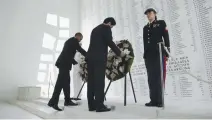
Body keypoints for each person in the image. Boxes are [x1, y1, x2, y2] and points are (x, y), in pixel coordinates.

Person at [86, 17, 125, 112]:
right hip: (99, 59)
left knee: (91, 82)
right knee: (99, 82)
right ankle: (100, 105)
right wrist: (120, 53)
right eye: (112, 26)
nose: (111, 28)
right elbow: (110, 42)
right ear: (109, 23)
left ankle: (91, 105)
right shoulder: (106, 28)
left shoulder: (95, 29)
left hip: (90, 58)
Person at [48, 33, 86, 111]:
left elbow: (67, 53)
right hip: (64, 64)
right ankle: (53, 102)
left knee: (66, 83)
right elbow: (80, 49)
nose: (80, 40)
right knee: (60, 84)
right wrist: (89, 55)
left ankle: (67, 100)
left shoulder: (70, 41)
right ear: (78, 36)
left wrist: (73, 61)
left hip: (63, 64)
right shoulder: (74, 40)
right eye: (80, 39)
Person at [143, 8, 170, 107]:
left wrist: (167, 52)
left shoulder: (161, 23)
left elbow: (166, 37)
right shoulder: (145, 28)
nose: (148, 15)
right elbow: (145, 42)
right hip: (149, 55)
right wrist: (145, 55)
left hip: (159, 53)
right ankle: (153, 100)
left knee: (159, 77)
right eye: (147, 14)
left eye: (150, 13)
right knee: (151, 78)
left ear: (155, 14)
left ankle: (160, 100)